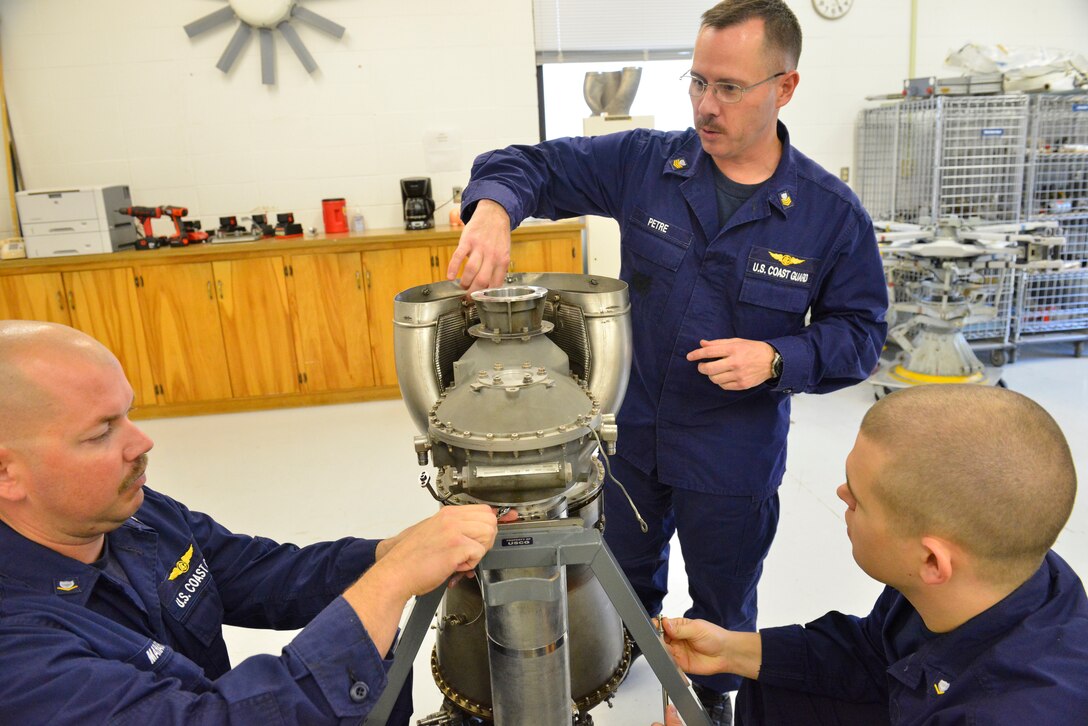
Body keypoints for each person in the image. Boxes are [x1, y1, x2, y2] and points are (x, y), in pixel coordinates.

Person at [446, 0, 887, 720]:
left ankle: (709, 702)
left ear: (786, 87)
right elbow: (527, 164)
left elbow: (862, 334)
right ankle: (627, 673)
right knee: (619, 581)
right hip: (631, 441)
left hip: (732, 457)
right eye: (697, 82)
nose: (706, 107)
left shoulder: (829, 214)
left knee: (723, 603)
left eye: (729, 88)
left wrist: (778, 357)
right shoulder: (649, 165)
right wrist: (493, 208)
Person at [0, 320, 514, 724]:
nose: (141, 443)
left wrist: (390, 552)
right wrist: (391, 581)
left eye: (129, 414)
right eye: (101, 433)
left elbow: (263, 573)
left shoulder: (132, 516)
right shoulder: (19, 656)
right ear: (7, 473)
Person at [651, 384, 1088, 726]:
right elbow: (873, 654)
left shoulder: (1015, 711)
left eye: (857, 498)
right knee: (776, 690)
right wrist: (731, 651)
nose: (840, 494)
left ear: (933, 561)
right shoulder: (995, 569)